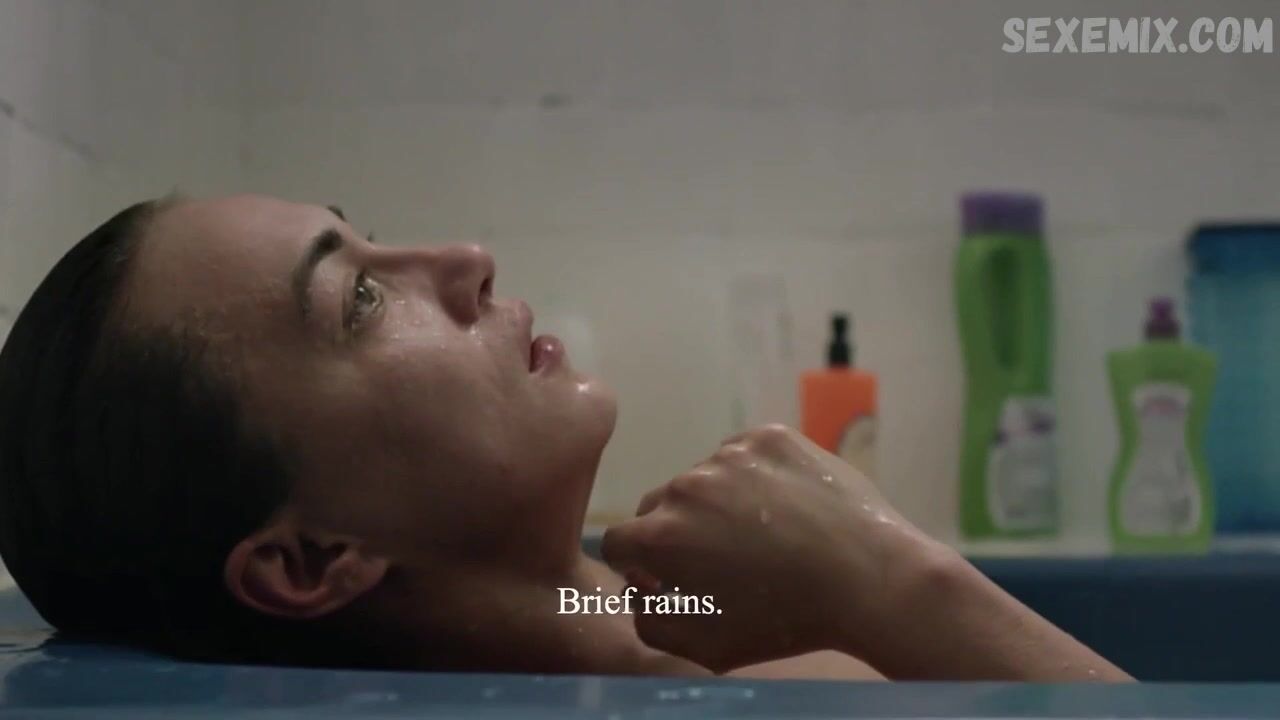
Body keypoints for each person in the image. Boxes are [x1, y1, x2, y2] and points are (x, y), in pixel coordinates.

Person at [0, 194, 1130, 681]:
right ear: (309, 558)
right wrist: (899, 584)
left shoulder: (640, 620)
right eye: (359, 301)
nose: (464, 259)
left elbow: (618, 621)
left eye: (371, 240)